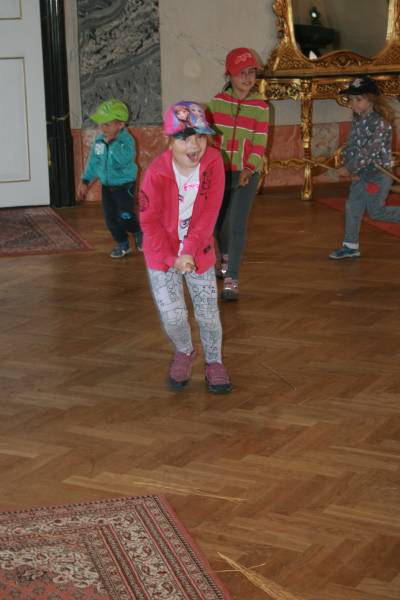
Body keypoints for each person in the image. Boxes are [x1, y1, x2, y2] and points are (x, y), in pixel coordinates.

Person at [139, 100, 232, 394]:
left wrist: (189, 249)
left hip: (199, 250)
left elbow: (209, 214)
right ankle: (184, 350)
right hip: (161, 253)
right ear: (169, 141)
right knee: (173, 316)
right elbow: (149, 222)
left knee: (208, 314)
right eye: (184, 138)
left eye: (200, 136)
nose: (194, 145)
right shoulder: (156, 174)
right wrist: (171, 257)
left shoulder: (214, 162)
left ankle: (214, 362)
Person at [207, 47, 269, 300]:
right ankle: (224, 257)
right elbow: (209, 140)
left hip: (247, 174)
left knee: (236, 224)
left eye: (251, 72)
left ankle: (232, 279)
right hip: (220, 174)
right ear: (229, 75)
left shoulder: (261, 107)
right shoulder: (216, 103)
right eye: (241, 72)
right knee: (219, 224)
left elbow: (259, 143)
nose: (247, 77)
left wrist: (250, 168)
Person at [329, 76, 400, 259]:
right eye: (351, 99)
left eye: (358, 99)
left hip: (378, 175)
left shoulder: (382, 124)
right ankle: (350, 246)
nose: (354, 104)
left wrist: (350, 168)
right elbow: (352, 146)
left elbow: (369, 152)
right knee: (352, 207)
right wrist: (348, 166)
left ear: (371, 99)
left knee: (376, 212)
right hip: (361, 174)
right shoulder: (359, 120)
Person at [77, 98, 143, 258]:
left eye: (107, 124)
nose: (102, 128)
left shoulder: (126, 141)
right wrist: (85, 181)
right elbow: (94, 163)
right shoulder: (100, 141)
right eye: (101, 124)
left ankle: (137, 231)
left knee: (125, 215)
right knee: (110, 219)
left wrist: (112, 144)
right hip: (107, 186)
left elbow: (125, 160)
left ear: (120, 125)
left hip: (124, 185)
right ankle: (122, 243)